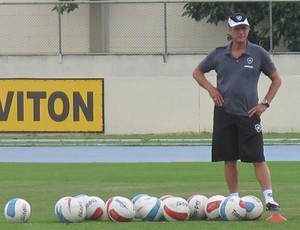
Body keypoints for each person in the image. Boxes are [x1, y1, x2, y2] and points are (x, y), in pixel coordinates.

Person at [192, 13, 282, 211]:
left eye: (244, 28)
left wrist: (264, 103)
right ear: (230, 31)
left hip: (249, 114)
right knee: (229, 158)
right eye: (237, 28)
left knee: (258, 157)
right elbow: (197, 72)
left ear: (248, 30)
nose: (241, 32)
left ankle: (269, 198)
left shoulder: (258, 54)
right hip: (224, 113)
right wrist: (211, 89)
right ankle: (233, 198)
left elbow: (276, 79)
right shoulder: (218, 54)